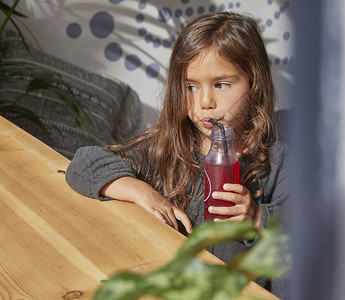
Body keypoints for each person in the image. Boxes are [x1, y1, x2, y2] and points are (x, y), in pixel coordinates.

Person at [65, 11, 290, 296]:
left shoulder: (277, 160)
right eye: (190, 87)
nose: (205, 102)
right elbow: (84, 163)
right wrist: (142, 192)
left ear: (254, 85)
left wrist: (257, 217)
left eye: (221, 84)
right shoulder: (170, 145)